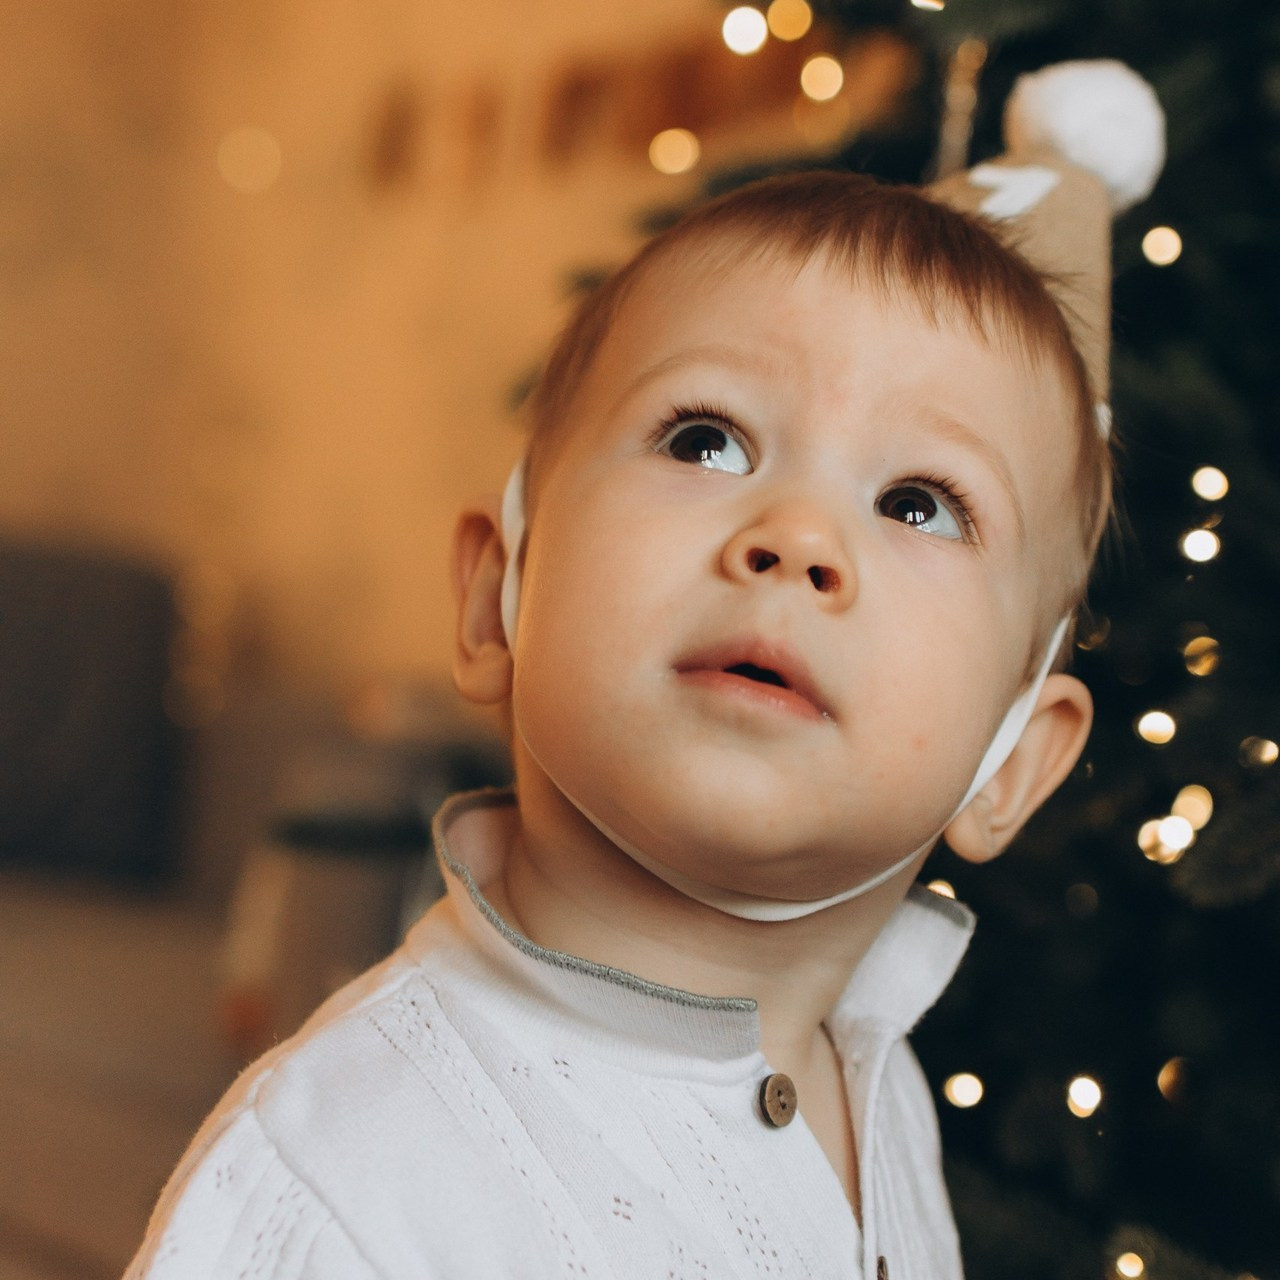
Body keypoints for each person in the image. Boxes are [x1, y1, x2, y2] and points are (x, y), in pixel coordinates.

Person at [126, 61, 1164, 1280]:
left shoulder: (881, 1090)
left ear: (1012, 764)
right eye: (705, 439)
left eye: (918, 503)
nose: (796, 536)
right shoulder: (339, 1187)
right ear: (495, 599)